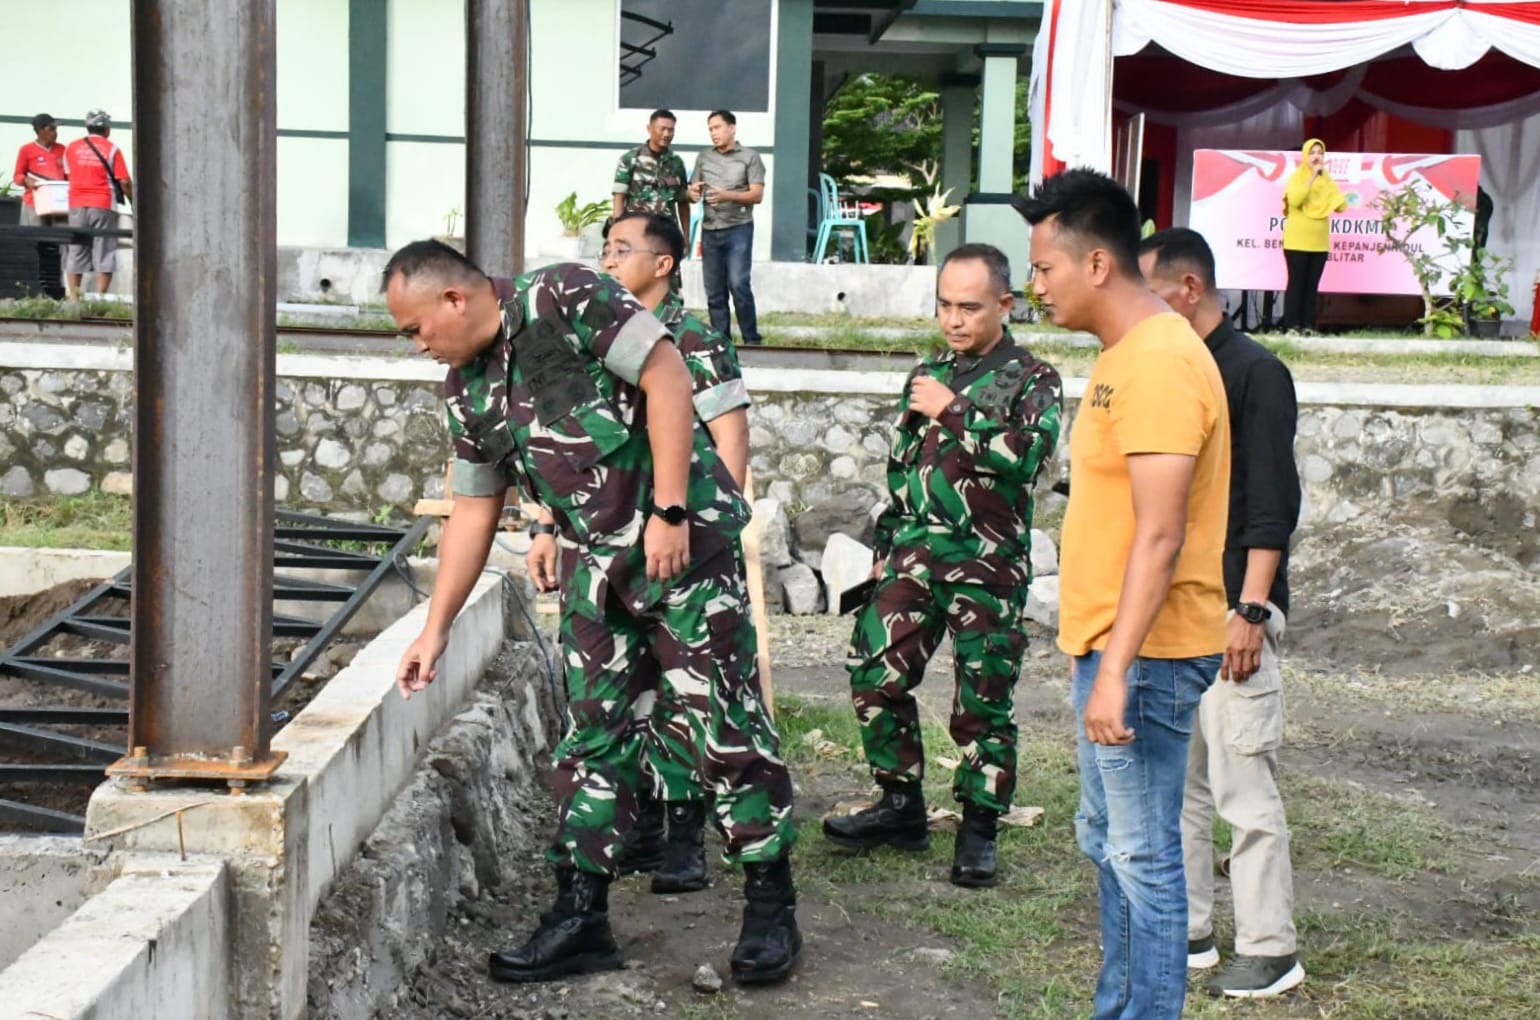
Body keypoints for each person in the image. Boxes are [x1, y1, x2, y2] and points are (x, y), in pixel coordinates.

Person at [383, 241, 799, 986]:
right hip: (597, 572)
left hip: (686, 547)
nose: (417, 345)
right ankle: (582, 916)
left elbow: (667, 375)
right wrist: (435, 627)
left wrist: (670, 508)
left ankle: (770, 907)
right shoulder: (464, 391)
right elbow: (476, 509)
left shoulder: (563, 296)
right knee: (591, 738)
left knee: (724, 725)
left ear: (453, 299)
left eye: (415, 328)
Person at [1017, 169, 1230, 1020]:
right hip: (1110, 647)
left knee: (1144, 857)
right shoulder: (1124, 355)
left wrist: (1116, 669)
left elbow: (1161, 532)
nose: (1036, 285)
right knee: (1109, 845)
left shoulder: (1161, 363)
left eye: (1044, 269)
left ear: (1096, 264)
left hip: (1142, 656)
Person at [822, 243, 1063, 889]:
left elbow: (1028, 457)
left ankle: (981, 821)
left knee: (982, 698)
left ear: (1005, 305)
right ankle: (900, 804)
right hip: (915, 556)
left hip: (987, 563)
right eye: (945, 306)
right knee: (874, 672)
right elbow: (905, 467)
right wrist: (886, 543)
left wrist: (952, 410)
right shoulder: (927, 372)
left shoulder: (1033, 378)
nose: (954, 320)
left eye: (969, 307)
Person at [526, 211, 751, 896]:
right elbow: (563, 446)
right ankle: (640, 826)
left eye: (624, 250)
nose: (609, 261)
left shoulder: (693, 339)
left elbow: (731, 436)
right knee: (625, 692)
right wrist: (544, 523)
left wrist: (714, 536)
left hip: (681, 539)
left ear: (664, 264)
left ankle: (685, 836)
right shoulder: (588, 339)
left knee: (689, 694)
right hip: (605, 549)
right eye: (606, 248)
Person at [1139, 227, 1305, 1000]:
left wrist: (1252, 607)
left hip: (1236, 611)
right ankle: (1194, 931)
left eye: (1152, 291)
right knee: (1186, 785)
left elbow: (1271, 504)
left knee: (1244, 786)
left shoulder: (1255, 374)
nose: (1143, 307)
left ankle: (1271, 947)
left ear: (1190, 290)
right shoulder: (1182, 371)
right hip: (1185, 615)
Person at [688, 110, 764, 347]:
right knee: (714, 291)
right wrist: (692, 192)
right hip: (711, 230)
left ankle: (752, 340)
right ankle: (722, 343)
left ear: (732, 128)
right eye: (710, 129)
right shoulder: (704, 157)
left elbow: (757, 194)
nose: (713, 133)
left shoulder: (750, 157)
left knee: (738, 284)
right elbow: (692, 192)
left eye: (718, 127)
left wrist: (726, 195)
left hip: (738, 229)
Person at [63, 109, 133, 299]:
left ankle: (74, 298)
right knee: (105, 247)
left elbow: (68, 175)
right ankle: (101, 297)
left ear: (88, 127)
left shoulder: (71, 147)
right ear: (107, 129)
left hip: (76, 203)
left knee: (77, 248)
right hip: (103, 203)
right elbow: (125, 181)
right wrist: (134, 203)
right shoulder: (112, 149)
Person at [1279, 138, 1345, 334]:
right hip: (1297, 241)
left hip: (1319, 243)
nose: (1317, 156)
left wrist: (1330, 188)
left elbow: (1341, 206)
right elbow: (1296, 199)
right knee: (1296, 283)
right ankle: (1291, 325)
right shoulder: (1296, 178)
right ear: (1305, 156)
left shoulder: (1327, 180)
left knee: (1312, 286)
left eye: (1320, 153)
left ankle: (1308, 326)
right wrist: (1311, 179)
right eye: (1313, 152)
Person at [611, 110, 690, 235]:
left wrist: (686, 236)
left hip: (666, 232)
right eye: (662, 129)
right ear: (649, 128)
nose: (666, 134)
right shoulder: (630, 159)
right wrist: (617, 233)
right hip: (636, 230)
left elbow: (683, 201)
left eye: (671, 130)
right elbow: (619, 198)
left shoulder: (676, 163)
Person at [13, 113, 67, 227]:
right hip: (34, 203)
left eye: (56, 129)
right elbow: (17, 176)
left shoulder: (62, 149)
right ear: (40, 130)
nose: (55, 133)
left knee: (62, 239)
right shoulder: (26, 150)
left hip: (59, 204)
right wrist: (26, 180)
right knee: (34, 240)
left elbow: (69, 175)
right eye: (51, 129)